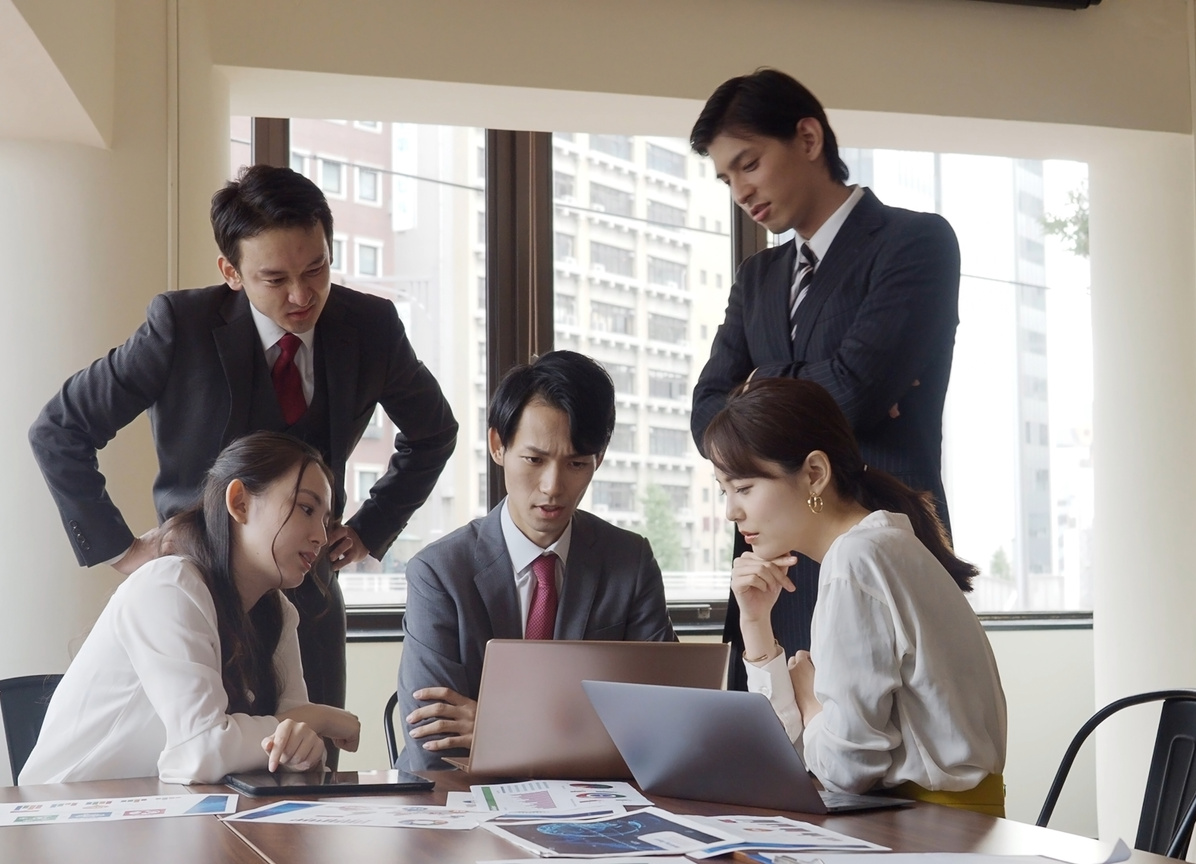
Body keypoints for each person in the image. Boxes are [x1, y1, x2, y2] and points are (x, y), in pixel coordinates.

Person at [29, 165, 459, 730]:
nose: (303, 295)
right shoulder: (179, 326)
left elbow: (434, 431)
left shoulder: (370, 326)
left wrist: (371, 526)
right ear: (231, 271)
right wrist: (124, 552)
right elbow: (59, 430)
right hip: (196, 594)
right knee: (198, 761)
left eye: (317, 268)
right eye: (275, 278)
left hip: (310, 601)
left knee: (311, 777)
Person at [688, 68, 962, 676]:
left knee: (875, 760)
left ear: (808, 139)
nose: (738, 190)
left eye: (749, 163)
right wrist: (814, 378)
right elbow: (707, 414)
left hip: (881, 556)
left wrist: (757, 385)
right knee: (767, 756)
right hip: (773, 575)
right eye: (726, 177)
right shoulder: (757, 278)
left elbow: (856, 393)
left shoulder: (914, 243)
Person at [703, 377, 1005, 816]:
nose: (731, 510)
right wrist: (755, 625)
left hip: (932, 831)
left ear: (814, 474)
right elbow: (793, 753)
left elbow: (845, 768)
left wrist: (809, 702)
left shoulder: (857, 560)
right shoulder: (877, 546)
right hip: (924, 822)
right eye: (724, 491)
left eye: (744, 487)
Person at [20, 432, 362, 784]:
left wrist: (303, 747)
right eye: (306, 509)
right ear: (240, 502)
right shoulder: (169, 586)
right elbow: (199, 751)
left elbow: (288, 740)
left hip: (164, 816)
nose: (321, 537)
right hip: (66, 814)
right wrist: (320, 720)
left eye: (326, 521)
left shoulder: (278, 610)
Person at [395, 351, 677, 772]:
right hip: (461, 810)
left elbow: (663, 722)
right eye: (534, 459)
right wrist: (581, 734)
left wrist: (500, 727)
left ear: (597, 460)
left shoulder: (629, 562)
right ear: (497, 446)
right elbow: (433, 742)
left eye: (577, 464)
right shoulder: (438, 573)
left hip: (591, 815)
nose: (553, 486)